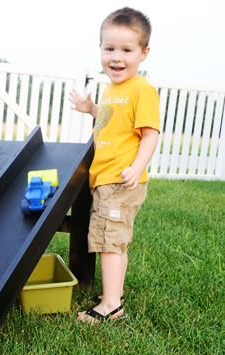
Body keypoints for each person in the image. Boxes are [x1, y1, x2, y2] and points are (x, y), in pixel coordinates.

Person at [69, 7, 160, 323]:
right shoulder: (112, 89)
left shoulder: (141, 89)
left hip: (121, 179)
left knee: (109, 242)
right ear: (100, 50)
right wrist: (91, 108)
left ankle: (110, 306)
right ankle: (113, 294)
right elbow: (110, 121)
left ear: (143, 53)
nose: (116, 57)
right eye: (109, 49)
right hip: (107, 178)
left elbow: (150, 134)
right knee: (114, 241)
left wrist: (137, 166)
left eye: (126, 50)